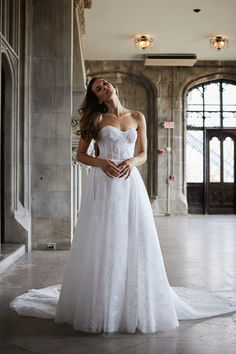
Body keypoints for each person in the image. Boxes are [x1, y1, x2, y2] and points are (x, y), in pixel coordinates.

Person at [10, 77, 236, 334]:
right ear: (96, 97)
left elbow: (143, 153)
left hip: (130, 184)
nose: (104, 87)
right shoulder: (94, 120)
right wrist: (102, 162)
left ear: (111, 87)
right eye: (98, 88)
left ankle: (133, 300)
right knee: (104, 237)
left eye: (105, 83)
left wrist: (131, 162)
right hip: (103, 184)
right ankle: (104, 302)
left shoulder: (137, 116)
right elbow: (80, 154)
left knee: (134, 236)